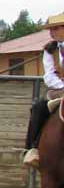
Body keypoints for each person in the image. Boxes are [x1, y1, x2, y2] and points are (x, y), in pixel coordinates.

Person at [23, 11, 64, 167]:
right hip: (59, 89)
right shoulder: (50, 50)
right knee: (38, 107)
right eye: (51, 29)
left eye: (56, 28)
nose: (52, 32)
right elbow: (49, 76)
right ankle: (32, 149)